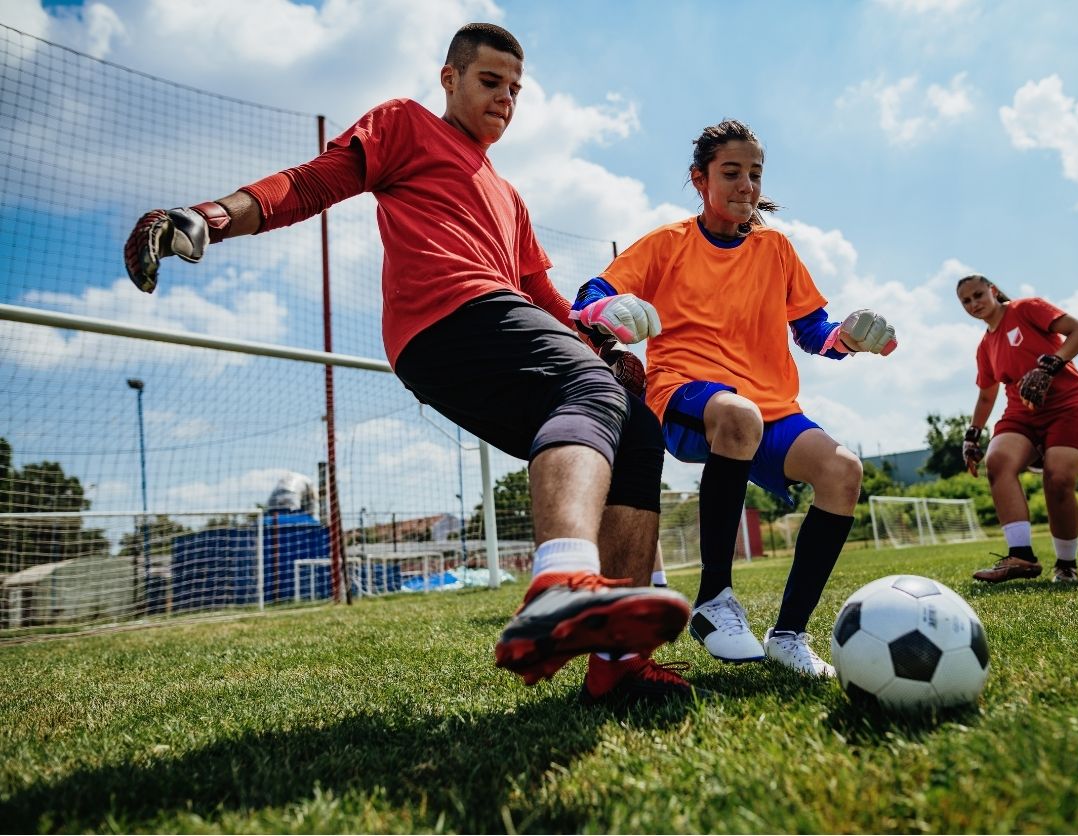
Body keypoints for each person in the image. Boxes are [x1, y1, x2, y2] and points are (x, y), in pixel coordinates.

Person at [122, 23, 696, 704]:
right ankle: (561, 581)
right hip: (444, 320)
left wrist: (597, 338)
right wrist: (210, 216)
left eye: (516, 90)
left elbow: (541, 296)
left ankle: (619, 666)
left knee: (636, 433)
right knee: (589, 388)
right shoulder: (406, 124)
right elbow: (310, 184)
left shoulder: (509, 196)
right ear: (449, 77)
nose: (505, 100)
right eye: (490, 82)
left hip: (497, 320)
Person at [569, 119, 896, 678]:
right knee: (738, 416)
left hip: (771, 407)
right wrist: (602, 313)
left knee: (843, 471)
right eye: (731, 173)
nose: (745, 185)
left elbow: (814, 331)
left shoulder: (776, 249)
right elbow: (594, 292)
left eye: (754, 174)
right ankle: (714, 600)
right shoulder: (668, 244)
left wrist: (850, 337)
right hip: (685, 394)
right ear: (700, 180)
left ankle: (789, 634)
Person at [956, 274, 1078, 584]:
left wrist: (1050, 365)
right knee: (998, 461)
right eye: (966, 301)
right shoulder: (985, 346)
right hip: (1021, 412)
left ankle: (1066, 563)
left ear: (993, 291)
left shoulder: (1027, 308)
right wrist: (972, 435)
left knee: (1057, 478)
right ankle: (1021, 555)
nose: (974, 303)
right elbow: (986, 394)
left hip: (1068, 405)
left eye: (978, 294)